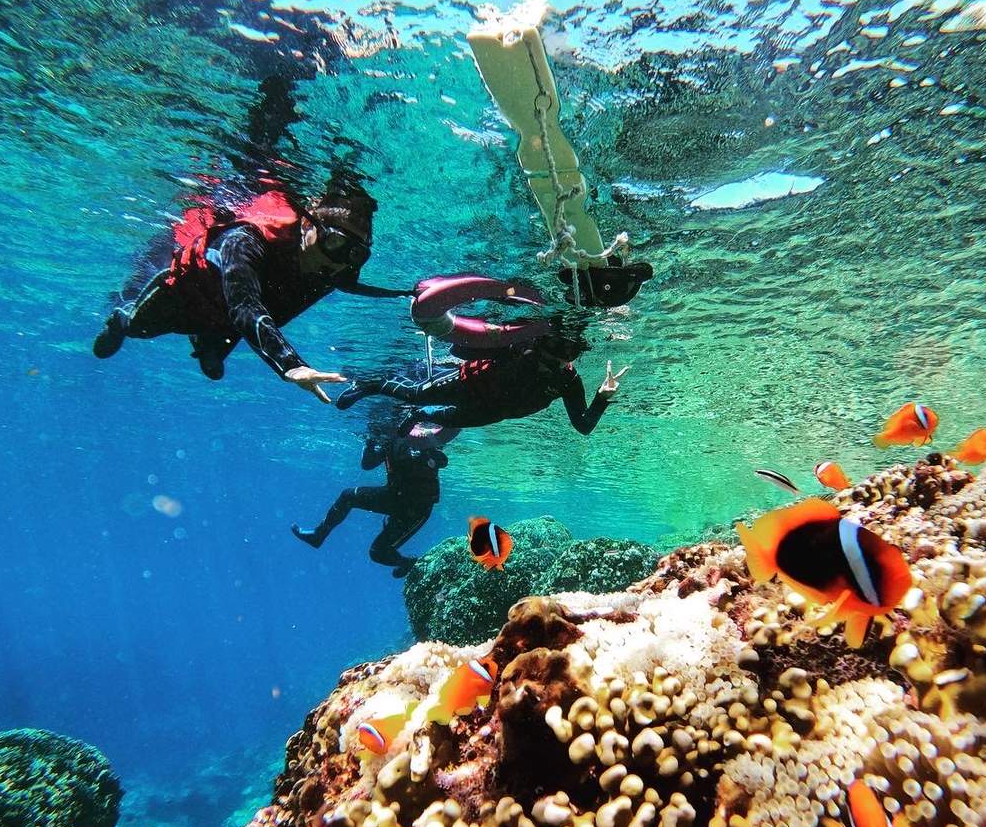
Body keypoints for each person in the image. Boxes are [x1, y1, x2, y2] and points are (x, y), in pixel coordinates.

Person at [92, 172, 406, 400]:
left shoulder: (332, 264)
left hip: (230, 321)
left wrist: (410, 293)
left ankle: (210, 342)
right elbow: (246, 308)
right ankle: (121, 319)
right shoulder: (246, 240)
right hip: (186, 298)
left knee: (228, 333)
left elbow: (353, 284)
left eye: (356, 253)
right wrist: (291, 366)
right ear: (308, 224)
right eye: (335, 242)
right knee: (138, 326)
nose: (341, 262)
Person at [333, 324, 629, 434]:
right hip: (468, 383)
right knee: (414, 394)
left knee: (445, 419)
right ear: (542, 340)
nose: (559, 357)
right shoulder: (517, 347)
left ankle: (419, 417)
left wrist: (603, 396)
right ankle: (368, 385)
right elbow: (457, 348)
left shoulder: (568, 381)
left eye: (570, 351)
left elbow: (583, 426)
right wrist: (499, 338)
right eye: (554, 346)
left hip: (491, 412)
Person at [292, 424, 459, 577]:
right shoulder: (388, 440)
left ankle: (411, 564)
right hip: (394, 496)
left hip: (416, 508)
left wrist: (428, 457)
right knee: (348, 496)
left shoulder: (418, 436)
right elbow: (367, 464)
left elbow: (442, 458)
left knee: (378, 552)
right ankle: (318, 535)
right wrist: (370, 441)